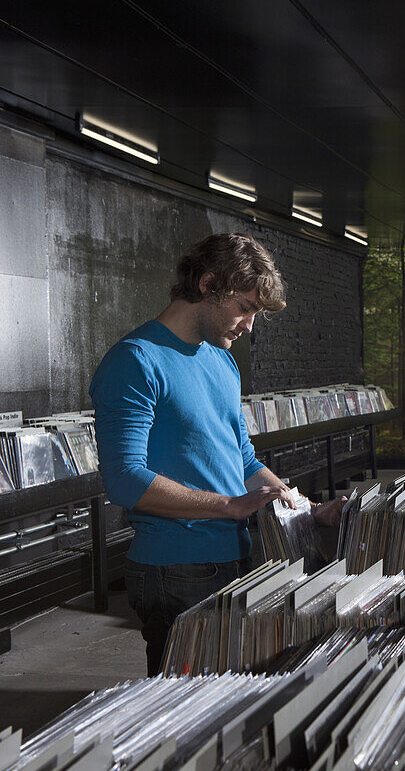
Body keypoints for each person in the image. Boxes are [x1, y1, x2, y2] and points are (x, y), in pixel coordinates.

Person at [90, 232, 344, 675]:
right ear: (209, 286)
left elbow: (242, 460)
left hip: (237, 556)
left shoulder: (222, 361)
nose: (249, 326)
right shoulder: (135, 360)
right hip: (175, 570)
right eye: (245, 308)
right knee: (184, 717)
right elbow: (125, 478)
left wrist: (307, 508)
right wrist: (228, 506)